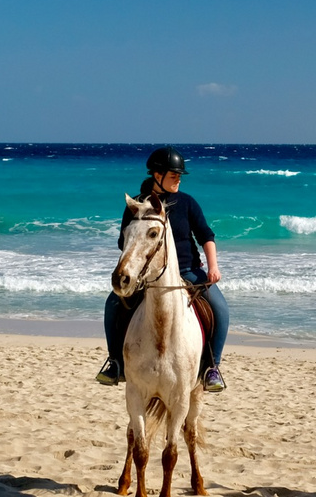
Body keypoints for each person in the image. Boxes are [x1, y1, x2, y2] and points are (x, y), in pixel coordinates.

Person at [97, 147, 231, 392]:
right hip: (147, 276)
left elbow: (206, 236)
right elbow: (124, 243)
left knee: (220, 310)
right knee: (113, 305)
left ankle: (212, 367)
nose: (178, 179)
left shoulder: (187, 203)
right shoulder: (136, 206)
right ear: (157, 175)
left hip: (189, 271)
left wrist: (213, 267)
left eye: (180, 175)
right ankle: (115, 362)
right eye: (173, 175)